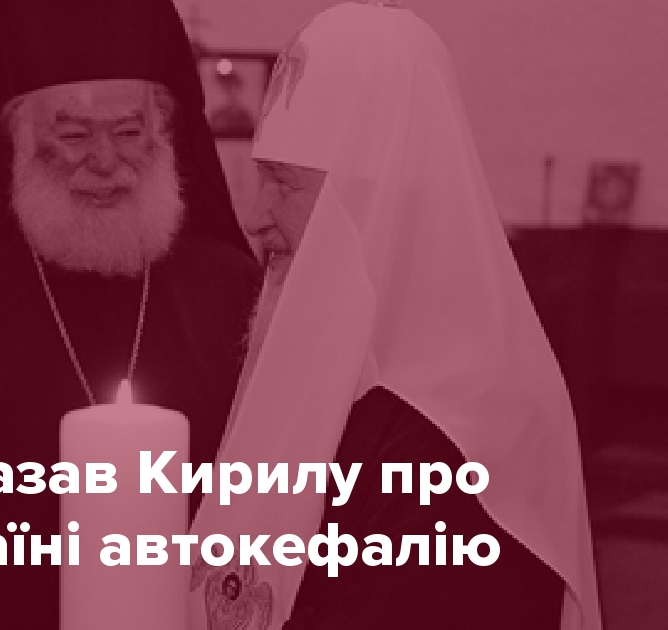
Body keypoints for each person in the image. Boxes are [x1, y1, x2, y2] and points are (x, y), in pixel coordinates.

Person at [189, 4, 602, 630]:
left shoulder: (464, 433)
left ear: (371, 199)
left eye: (283, 183)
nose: (255, 218)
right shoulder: (336, 363)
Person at [0, 0, 263, 626]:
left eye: (129, 132)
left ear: (165, 133)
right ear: (17, 138)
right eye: (74, 135)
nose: (105, 161)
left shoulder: (233, 292)